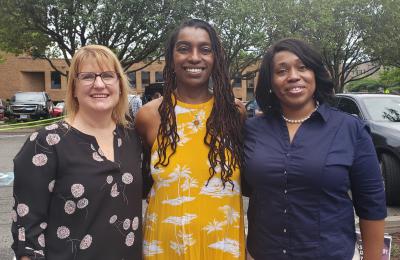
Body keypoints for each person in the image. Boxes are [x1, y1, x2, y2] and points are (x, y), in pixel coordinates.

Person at [243, 38, 386, 259]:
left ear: (315, 74)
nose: (293, 76)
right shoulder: (252, 130)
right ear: (270, 82)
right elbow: (243, 187)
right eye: (281, 71)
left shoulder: (350, 130)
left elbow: (372, 204)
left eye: (302, 67)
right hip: (262, 252)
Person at [11, 45, 143, 260]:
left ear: (119, 84)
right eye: (88, 77)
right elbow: (28, 230)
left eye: (108, 76)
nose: (99, 84)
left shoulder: (131, 138)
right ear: (73, 87)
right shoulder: (46, 144)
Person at [136, 19, 246, 259]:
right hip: (164, 248)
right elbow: (141, 182)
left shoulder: (234, 113)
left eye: (205, 49)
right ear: (171, 57)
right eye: (184, 48)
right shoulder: (150, 116)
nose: (194, 57)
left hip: (223, 247)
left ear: (215, 57)